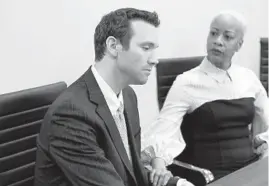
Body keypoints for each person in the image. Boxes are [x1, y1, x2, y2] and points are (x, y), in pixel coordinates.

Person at [34, 7, 190, 186]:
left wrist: (176, 184)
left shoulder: (127, 96)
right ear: (113, 46)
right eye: (146, 48)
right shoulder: (70, 115)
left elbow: (131, 173)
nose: (155, 59)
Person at [141, 10, 269, 186]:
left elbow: (267, 116)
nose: (218, 41)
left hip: (252, 170)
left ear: (239, 45)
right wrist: (159, 167)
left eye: (227, 36)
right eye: (214, 33)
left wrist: (263, 141)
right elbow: (162, 130)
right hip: (214, 176)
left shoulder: (248, 77)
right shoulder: (187, 82)